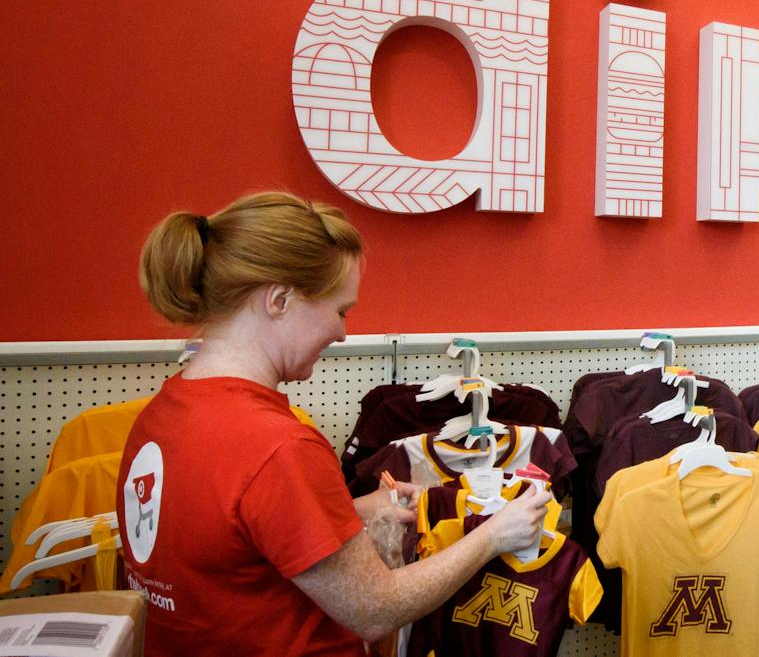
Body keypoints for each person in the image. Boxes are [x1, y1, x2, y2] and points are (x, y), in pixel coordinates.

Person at [118, 191, 551, 655]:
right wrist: (494, 535)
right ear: (280, 300)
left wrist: (345, 515)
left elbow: (230, 544)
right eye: (339, 310)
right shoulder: (276, 446)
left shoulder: (160, 417)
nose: (342, 332)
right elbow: (375, 609)